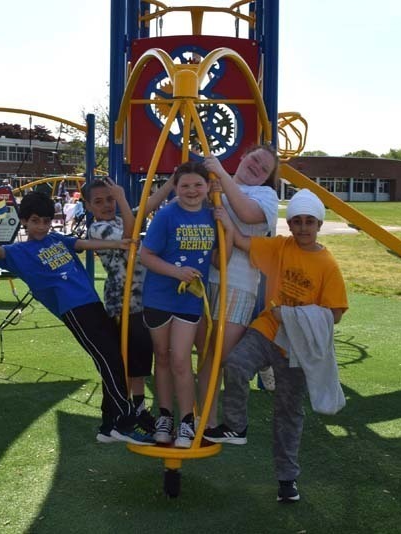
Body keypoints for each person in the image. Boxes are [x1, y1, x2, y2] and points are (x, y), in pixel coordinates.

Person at [204, 189, 349, 503]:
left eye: (309, 221)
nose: (303, 227)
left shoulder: (327, 265)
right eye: (297, 221)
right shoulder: (280, 247)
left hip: (297, 345)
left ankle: (287, 479)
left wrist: (296, 316)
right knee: (235, 364)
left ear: (319, 224)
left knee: (288, 412)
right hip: (268, 329)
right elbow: (242, 241)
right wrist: (223, 217)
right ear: (290, 224)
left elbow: (335, 314)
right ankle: (236, 426)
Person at [0, 191, 154, 445]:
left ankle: (109, 426)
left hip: (92, 303)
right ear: (24, 221)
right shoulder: (19, 251)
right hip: (74, 310)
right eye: (35, 221)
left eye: (46, 221)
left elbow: (82, 244)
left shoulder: (56, 239)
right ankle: (124, 422)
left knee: (115, 359)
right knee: (110, 361)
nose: (41, 226)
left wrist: (119, 244)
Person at [139, 161, 233, 448]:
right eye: (185, 185)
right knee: (162, 356)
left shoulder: (211, 215)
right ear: (176, 188)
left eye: (197, 185)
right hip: (159, 296)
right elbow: (146, 255)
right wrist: (176, 272)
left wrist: (228, 230)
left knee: (180, 359)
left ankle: (187, 420)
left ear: (207, 187)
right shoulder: (167, 215)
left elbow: (220, 261)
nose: (191, 190)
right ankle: (165, 416)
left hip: (189, 299)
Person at [196, 145, 281, 429]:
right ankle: (204, 421)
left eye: (264, 169)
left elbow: (246, 214)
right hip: (204, 277)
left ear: (267, 178)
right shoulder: (215, 182)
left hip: (237, 283)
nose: (256, 167)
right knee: (203, 355)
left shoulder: (265, 195)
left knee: (219, 356)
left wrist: (220, 173)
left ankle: (261, 357)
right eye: (255, 159)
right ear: (243, 156)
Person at [84, 176, 174, 440]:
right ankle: (120, 415)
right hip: (122, 303)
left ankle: (138, 408)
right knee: (126, 360)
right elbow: (131, 235)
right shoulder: (98, 228)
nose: (106, 205)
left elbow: (148, 205)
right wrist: (122, 199)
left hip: (142, 301)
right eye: (99, 201)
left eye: (110, 199)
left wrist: (172, 182)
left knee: (140, 360)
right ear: (88, 206)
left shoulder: (120, 218)